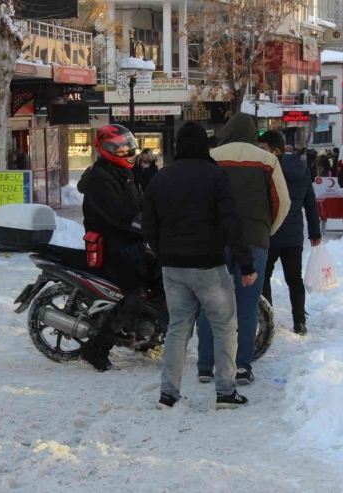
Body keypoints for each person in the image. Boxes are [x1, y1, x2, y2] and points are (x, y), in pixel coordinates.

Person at [144, 122, 255, 410]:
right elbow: (232, 222)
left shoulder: (160, 178)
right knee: (225, 327)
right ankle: (226, 392)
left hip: (173, 268)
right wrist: (247, 263)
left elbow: (149, 226)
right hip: (209, 267)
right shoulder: (216, 176)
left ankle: (168, 394)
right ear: (205, 146)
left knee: (178, 329)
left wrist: (163, 253)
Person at [196, 113, 290, 386]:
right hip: (253, 241)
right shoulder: (267, 160)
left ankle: (205, 364)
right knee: (247, 306)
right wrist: (266, 230)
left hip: (214, 240)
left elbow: (198, 198)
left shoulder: (211, 156)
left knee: (209, 302)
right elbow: (282, 202)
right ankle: (242, 366)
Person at [77, 124, 146, 372]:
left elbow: (141, 203)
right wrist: (146, 226)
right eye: (120, 149)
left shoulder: (122, 172)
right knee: (136, 295)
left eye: (129, 146)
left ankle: (145, 336)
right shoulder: (99, 178)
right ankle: (97, 349)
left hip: (131, 241)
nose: (127, 152)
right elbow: (120, 214)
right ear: (106, 150)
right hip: (112, 245)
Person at [257, 131, 322, 335]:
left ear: (275, 151)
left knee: (263, 277)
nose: (260, 153)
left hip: (270, 233)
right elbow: (310, 203)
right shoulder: (302, 169)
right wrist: (314, 232)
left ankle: (268, 321)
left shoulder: (267, 170)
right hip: (293, 236)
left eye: (263, 149)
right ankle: (299, 321)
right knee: (294, 279)